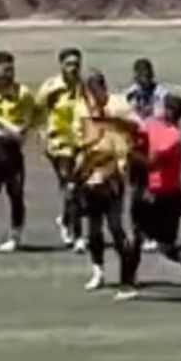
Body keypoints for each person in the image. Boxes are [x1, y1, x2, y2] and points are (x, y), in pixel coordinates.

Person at [129, 94, 181, 296]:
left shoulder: (172, 137)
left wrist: (128, 152)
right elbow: (137, 131)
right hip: (157, 193)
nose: (158, 108)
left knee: (160, 244)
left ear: (170, 111)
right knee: (140, 236)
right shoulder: (153, 125)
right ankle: (131, 278)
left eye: (162, 106)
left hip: (163, 197)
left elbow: (151, 164)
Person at [74, 70, 139, 298]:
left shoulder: (119, 105)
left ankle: (128, 278)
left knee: (115, 226)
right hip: (91, 171)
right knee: (93, 228)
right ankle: (98, 271)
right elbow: (81, 139)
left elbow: (135, 129)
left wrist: (116, 122)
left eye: (94, 90)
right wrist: (81, 171)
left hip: (113, 173)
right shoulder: (82, 109)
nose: (91, 96)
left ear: (102, 88)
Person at [0, 51, 38, 252]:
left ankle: (15, 236)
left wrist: (11, 128)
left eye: (12, 69)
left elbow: (26, 123)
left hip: (12, 150)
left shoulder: (23, 94)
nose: (9, 74)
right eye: (5, 69)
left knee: (16, 193)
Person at [37, 47, 86, 252]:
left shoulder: (85, 87)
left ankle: (65, 219)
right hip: (59, 143)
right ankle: (77, 235)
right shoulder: (51, 87)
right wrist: (43, 135)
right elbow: (38, 112)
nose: (73, 68)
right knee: (70, 185)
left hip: (81, 142)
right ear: (61, 65)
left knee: (76, 188)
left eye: (76, 64)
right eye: (69, 64)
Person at [125, 57, 169, 252]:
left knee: (154, 192)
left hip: (155, 148)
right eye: (141, 75)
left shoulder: (161, 94)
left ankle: (152, 232)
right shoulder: (129, 95)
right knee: (136, 193)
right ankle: (137, 232)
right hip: (136, 150)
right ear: (135, 76)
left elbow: (163, 118)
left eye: (148, 75)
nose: (145, 79)